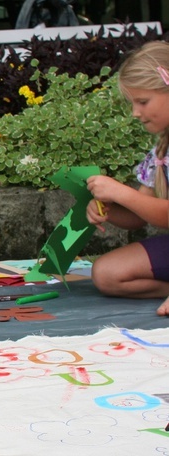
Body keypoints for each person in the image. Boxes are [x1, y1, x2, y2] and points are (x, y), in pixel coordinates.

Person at [86, 40, 169, 316]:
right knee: (106, 273)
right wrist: (107, 207)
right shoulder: (160, 149)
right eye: (133, 103)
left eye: (143, 101)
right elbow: (140, 215)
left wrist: (120, 191)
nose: (135, 112)